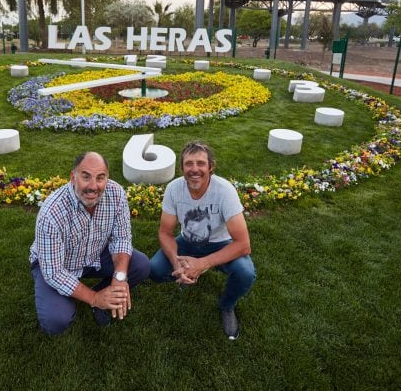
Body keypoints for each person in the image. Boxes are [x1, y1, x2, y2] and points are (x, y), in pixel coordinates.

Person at [29, 151, 150, 335]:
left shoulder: (115, 194)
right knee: (56, 321)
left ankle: (104, 293)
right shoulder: (51, 212)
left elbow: (122, 239)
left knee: (140, 265)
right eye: (86, 177)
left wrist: (119, 279)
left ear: (107, 178)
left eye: (100, 178)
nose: (93, 186)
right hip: (57, 264)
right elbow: (53, 272)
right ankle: (95, 299)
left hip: (95, 254)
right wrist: (94, 298)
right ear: (73, 177)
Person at [150, 141, 256, 340]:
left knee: (245, 273)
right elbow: (165, 232)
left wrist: (202, 264)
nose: (195, 169)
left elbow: (243, 245)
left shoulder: (225, 191)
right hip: (188, 241)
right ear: (182, 168)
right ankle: (184, 275)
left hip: (221, 243)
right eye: (189, 164)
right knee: (154, 270)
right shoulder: (174, 188)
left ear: (210, 167)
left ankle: (227, 306)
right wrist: (177, 262)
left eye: (200, 163)